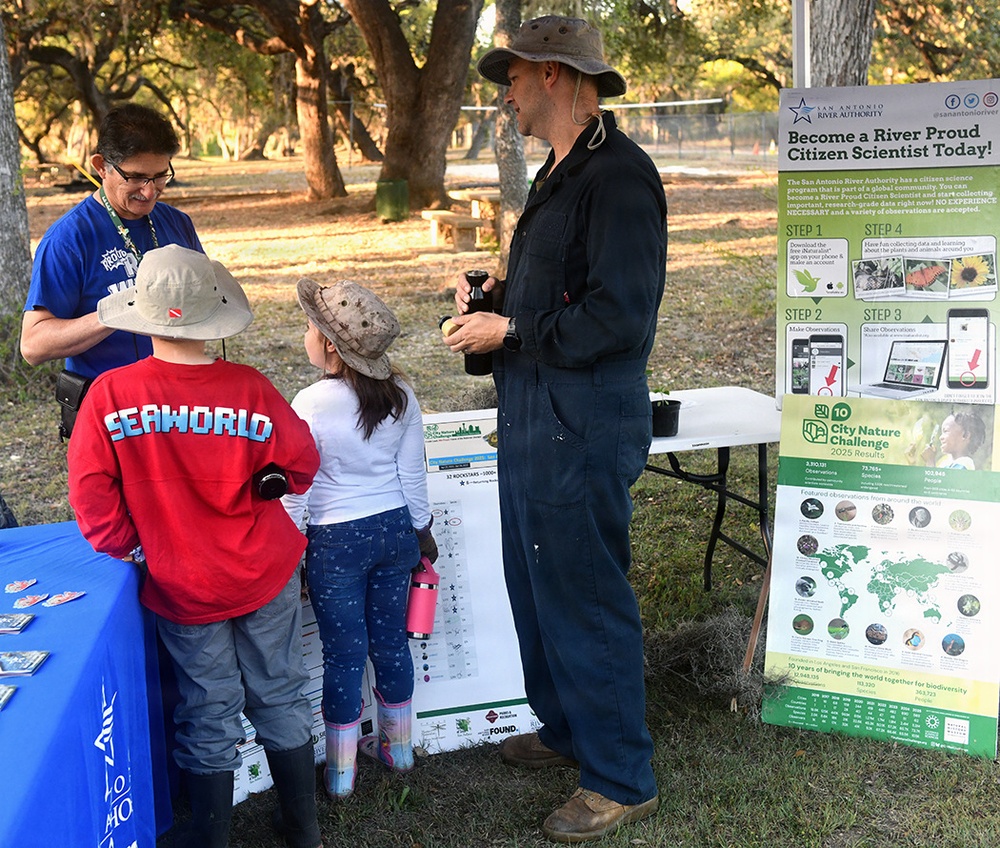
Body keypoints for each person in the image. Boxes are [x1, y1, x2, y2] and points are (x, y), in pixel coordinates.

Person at [443, 15, 666, 844]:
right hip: (536, 408)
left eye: (514, 73)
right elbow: (561, 295)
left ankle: (619, 776)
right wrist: (496, 304)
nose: (505, 89)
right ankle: (569, 730)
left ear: (555, 76)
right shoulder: (559, 171)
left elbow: (620, 315)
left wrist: (516, 332)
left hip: (585, 415)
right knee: (535, 582)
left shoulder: (620, 179)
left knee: (584, 591)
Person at [67, 245, 323, 848]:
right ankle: (302, 828)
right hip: (264, 568)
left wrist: (133, 547)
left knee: (208, 704)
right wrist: (268, 483)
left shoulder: (109, 396)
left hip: (181, 577)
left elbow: (90, 495)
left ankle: (210, 836)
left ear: (140, 313)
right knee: (279, 690)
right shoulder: (250, 388)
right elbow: (301, 462)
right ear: (216, 312)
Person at [282, 278, 437, 801]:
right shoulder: (402, 395)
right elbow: (412, 473)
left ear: (329, 342)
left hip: (335, 541)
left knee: (344, 653)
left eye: (309, 326)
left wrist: (293, 546)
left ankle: (341, 774)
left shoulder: (309, 402)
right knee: (391, 642)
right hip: (395, 531)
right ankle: (400, 749)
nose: (304, 334)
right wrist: (422, 532)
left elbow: (297, 486)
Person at [21, 103, 203, 434]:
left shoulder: (178, 224)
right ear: (101, 166)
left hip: (179, 410)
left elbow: (205, 307)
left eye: (160, 175)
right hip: (110, 420)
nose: (150, 191)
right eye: (135, 177)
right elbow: (33, 345)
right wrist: (117, 312)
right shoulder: (69, 239)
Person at [922, 410, 986, 470]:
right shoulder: (945, 464)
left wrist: (930, 461)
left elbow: (939, 481)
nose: (940, 437)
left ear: (965, 435)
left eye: (946, 431)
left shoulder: (965, 464)